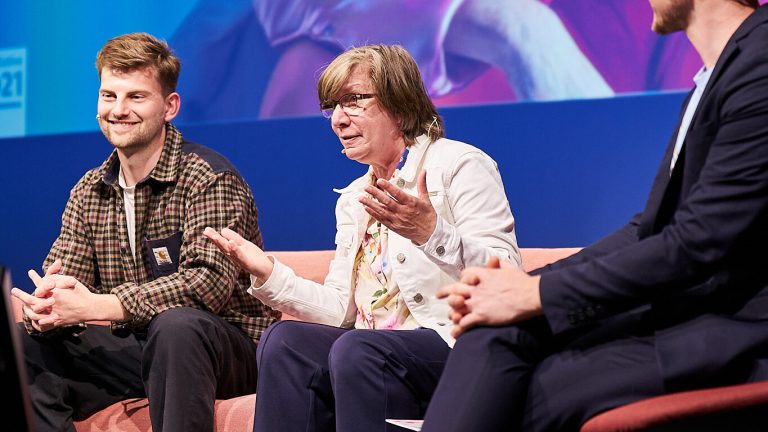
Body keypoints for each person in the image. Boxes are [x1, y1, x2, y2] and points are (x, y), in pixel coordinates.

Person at [422, 0, 768, 430]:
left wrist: (535, 295)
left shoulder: (761, 63)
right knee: (496, 333)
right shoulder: (714, 76)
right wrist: (523, 286)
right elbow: (650, 228)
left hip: (740, 328)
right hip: (696, 309)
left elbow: (699, 240)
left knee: (544, 384)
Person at [204, 44, 520, 431]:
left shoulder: (458, 165)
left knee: (358, 348)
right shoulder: (355, 198)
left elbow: (507, 274)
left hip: (457, 346)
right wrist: (269, 273)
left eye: (353, 101)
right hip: (374, 354)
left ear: (399, 105)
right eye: (332, 107)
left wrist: (431, 233)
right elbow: (342, 310)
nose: (338, 119)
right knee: (284, 341)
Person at [11, 33, 277, 432]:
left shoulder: (208, 177)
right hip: (141, 348)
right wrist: (49, 306)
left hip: (226, 349)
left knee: (177, 326)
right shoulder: (89, 190)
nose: (118, 110)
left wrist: (99, 306)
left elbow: (206, 287)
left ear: (170, 107)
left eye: (136, 97)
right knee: (26, 345)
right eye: (108, 96)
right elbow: (69, 279)